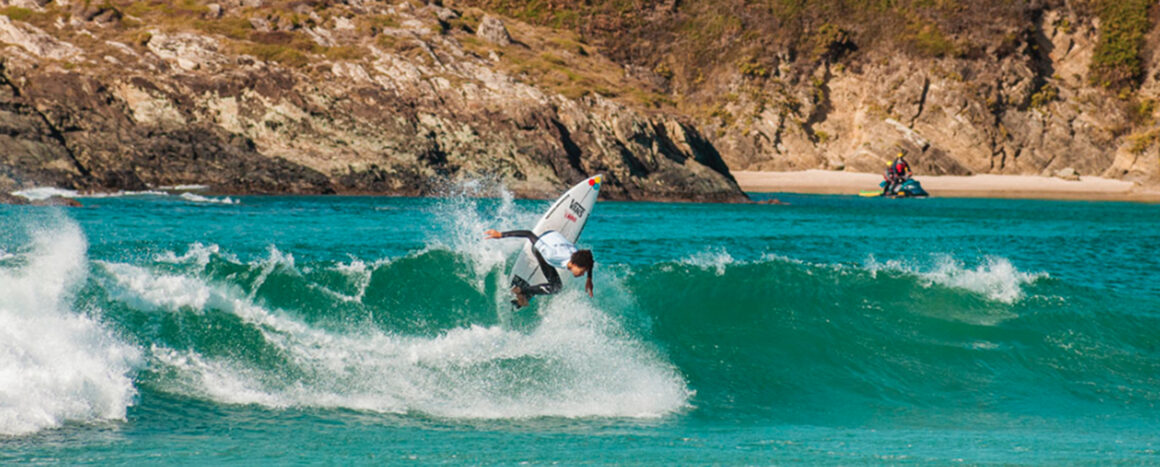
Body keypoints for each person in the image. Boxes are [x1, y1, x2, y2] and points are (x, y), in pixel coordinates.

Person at [484, 228, 595, 308]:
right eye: (583, 271)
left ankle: (526, 292)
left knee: (556, 285)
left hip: (554, 235)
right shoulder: (552, 255)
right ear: (575, 264)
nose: (582, 274)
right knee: (556, 287)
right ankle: (520, 289)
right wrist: (501, 234)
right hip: (542, 247)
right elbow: (528, 234)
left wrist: (589, 279)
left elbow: (590, 260)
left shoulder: (576, 255)